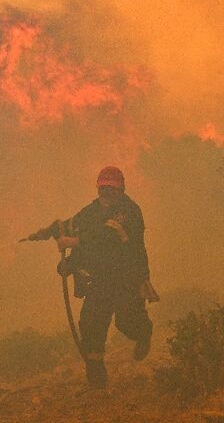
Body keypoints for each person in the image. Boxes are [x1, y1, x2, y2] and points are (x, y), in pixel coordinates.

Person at [55, 166, 158, 391]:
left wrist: (72, 242)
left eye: (113, 189)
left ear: (121, 189)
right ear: (98, 188)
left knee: (127, 321)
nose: (107, 194)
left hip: (127, 278)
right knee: (91, 324)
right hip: (99, 280)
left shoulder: (129, 211)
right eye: (104, 188)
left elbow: (106, 237)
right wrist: (69, 263)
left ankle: (143, 333)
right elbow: (79, 234)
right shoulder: (90, 212)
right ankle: (96, 376)